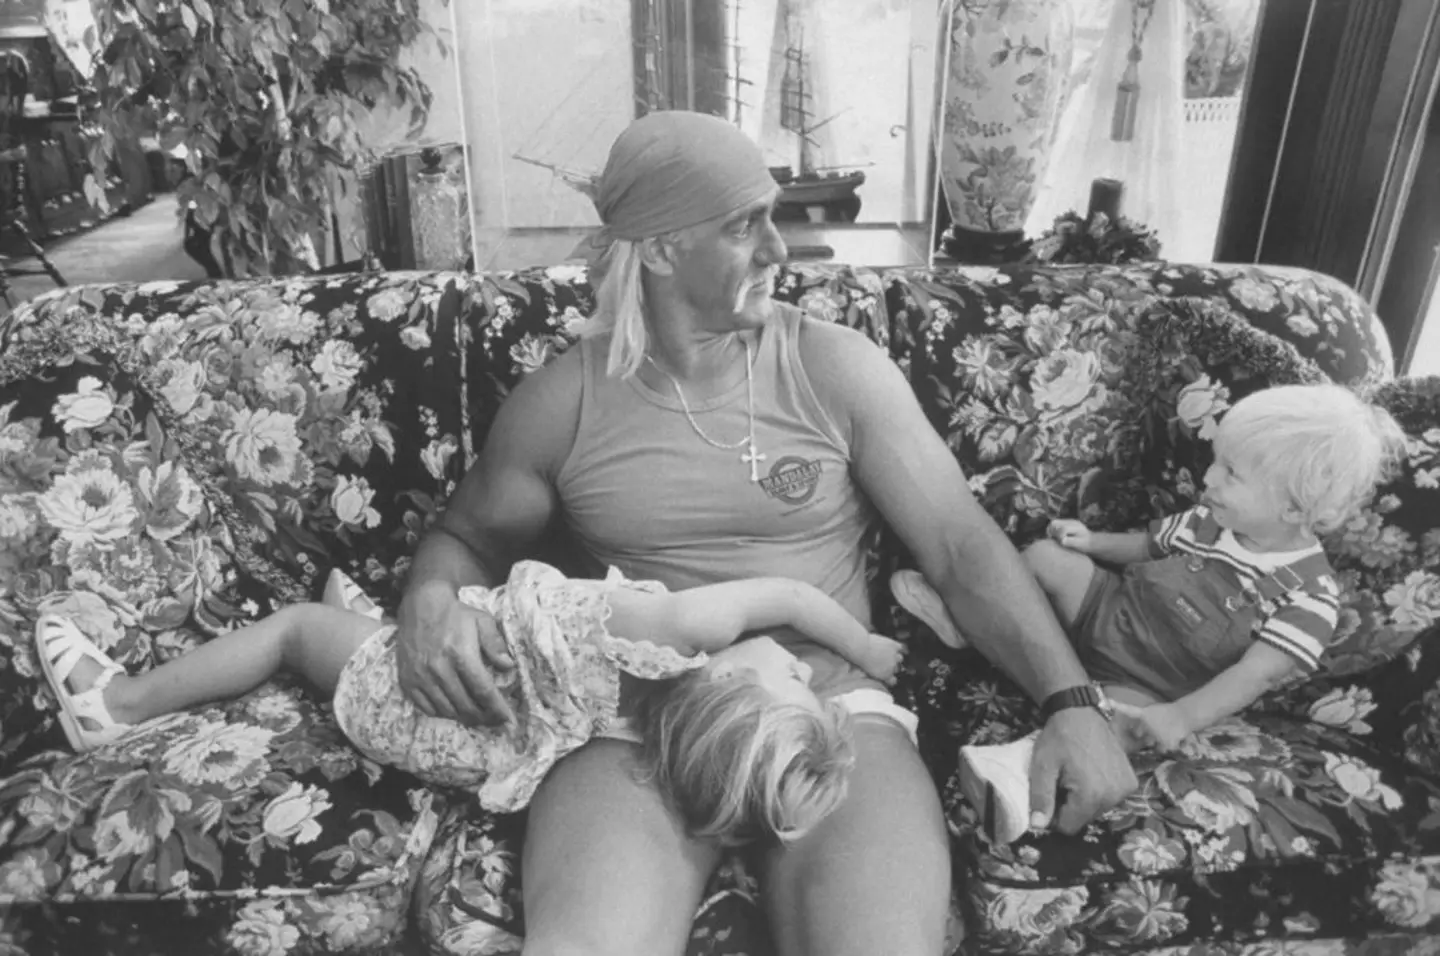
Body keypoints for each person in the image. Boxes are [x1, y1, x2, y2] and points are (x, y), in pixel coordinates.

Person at [393, 109, 1136, 956]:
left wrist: (1074, 703)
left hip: (827, 707)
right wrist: (428, 600)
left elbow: (961, 548)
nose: (779, 250)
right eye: (744, 226)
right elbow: (468, 538)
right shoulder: (563, 403)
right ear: (661, 248)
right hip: (640, 718)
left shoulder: (832, 367)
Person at [35, 563, 905, 846]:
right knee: (374, 637)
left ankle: (120, 703)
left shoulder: (687, 628)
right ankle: (365, 629)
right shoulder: (663, 736)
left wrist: (865, 650)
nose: (805, 667)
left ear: (724, 684)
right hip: (451, 744)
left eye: (796, 680)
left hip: (408, 694)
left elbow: (792, 595)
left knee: (297, 630)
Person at [891, 383, 1404, 844]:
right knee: (1048, 560)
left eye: (1231, 473)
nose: (1209, 478)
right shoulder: (1209, 520)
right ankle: (969, 623)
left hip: (1147, 682)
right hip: (1107, 609)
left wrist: (1180, 717)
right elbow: (1146, 546)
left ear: (1293, 509)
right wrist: (1092, 542)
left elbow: (1254, 676)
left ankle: (1015, 770)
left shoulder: (1310, 597)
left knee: (1122, 727)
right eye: (1217, 461)